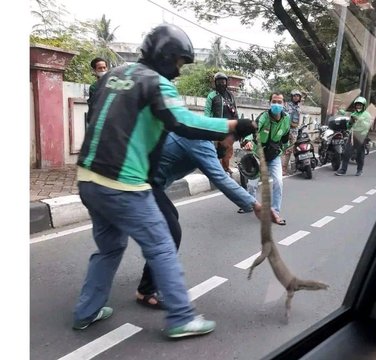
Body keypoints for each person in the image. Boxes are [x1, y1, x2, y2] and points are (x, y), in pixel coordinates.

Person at [72, 24, 256, 339]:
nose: (178, 71)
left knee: (110, 247)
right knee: (161, 245)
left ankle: (86, 311)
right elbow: (183, 122)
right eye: (179, 63)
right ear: (166, 57)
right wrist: (234, 125)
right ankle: (181, 317)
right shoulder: (156, 83)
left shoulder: (111, 76)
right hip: (124, 183)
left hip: (88, 178)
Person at [135, 131, 279, 309]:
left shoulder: (201, 139)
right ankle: (146, 290)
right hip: (140, 181)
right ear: (220, 134)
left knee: (159, 223)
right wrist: (256, 205)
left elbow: (219, 174)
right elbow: (220, 179)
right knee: (171, 231)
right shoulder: (200, 142)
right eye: (231, 140)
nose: (230, 146)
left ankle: (155, 265)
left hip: (144, 180)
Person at [241, 92, 291, 225]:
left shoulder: (286, 119)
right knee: (252, 185)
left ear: (284, 104)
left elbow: (285, 136)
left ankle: (275, 212)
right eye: (274, 101)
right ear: (270, 103)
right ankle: (249, 205)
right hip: (259, 155)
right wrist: (247, 141)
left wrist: (286, 148)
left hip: (274, 156)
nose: (277, 104)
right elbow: (253, 130)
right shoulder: (264, 117)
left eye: (279, 102)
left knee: (278, 183)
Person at [204, 72, 239, 176]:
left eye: (223, 81)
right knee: (218, 149)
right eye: (219, 82)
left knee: (228, 150)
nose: (221, 84)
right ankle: (217, 170)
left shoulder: (230, 95)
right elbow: (207, 111)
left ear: (226, 82)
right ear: (215, 83)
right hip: (217, 127)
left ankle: (226, 167)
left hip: (229, 127)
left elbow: (235, 110)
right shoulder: (212, 96)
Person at [335, 96, 372, 176]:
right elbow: (349, 126)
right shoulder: (353, 114)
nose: (358, 107)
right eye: (357, 105)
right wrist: (351, 122)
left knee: (360, 154)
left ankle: (359, 170)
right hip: (352, 135)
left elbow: (367, 126)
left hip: (361, 136)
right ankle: (343, 170)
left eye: (360, 105)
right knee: (346, 152)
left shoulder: (367, 115)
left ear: (363, 106)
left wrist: (360, 120)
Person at [282, 89, 302, 175]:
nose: (296, 97)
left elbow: (299, 119)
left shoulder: (299, 108)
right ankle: (283, 169)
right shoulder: (286, 105)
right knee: (285, 150)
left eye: (297, 96)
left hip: (295, 131)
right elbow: (283, 116)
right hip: (286, 130)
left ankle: (294, 167)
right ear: (291, 97)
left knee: (293, 149)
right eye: (294, 96)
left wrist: (298, 126)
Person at [86, 57, 108, 125]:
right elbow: (92, 107)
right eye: (100, 68)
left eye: (104, 67)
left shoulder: (114, 83)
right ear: (95, 70)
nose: (103, 70)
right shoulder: (93, 87)